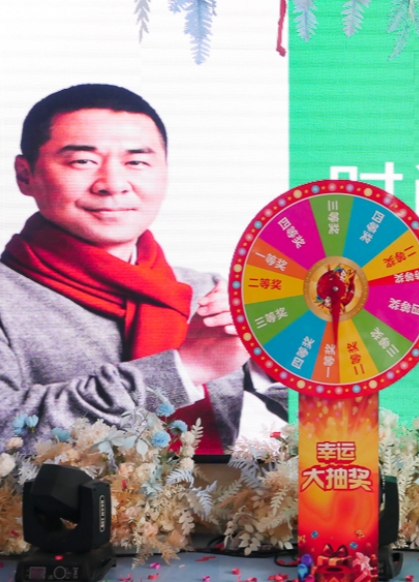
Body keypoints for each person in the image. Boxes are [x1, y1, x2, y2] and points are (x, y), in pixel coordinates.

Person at [0, 84, 286, 453]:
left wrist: (286, 358)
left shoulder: (209, 292)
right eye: (82, 161)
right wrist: (184, 368)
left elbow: (325, 421)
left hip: (211, 494)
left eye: (136, 162)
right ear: (25, 175)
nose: (113, 184)